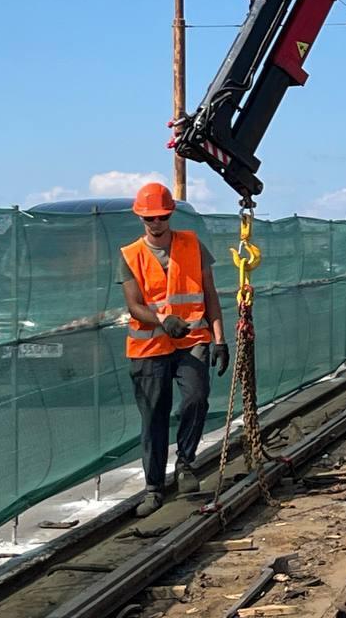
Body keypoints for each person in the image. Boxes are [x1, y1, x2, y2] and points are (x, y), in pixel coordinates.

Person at [118, 182, 229, 517]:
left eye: (162, 216)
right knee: (154, 415)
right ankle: (153, 488)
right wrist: (163, 319)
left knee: (196, 397)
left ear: (170, 215)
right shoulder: (130, 255)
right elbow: (134, 305)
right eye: (150, 217)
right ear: (141, 218)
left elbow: (210, 295)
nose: (157, 223)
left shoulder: (192, 245)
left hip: (191, 340)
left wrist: (220, 338)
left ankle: (185, 463)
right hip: (149, 346)